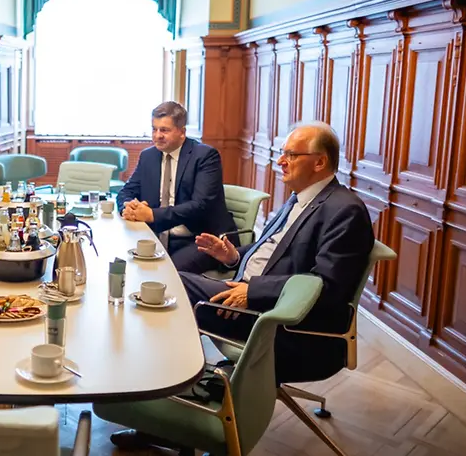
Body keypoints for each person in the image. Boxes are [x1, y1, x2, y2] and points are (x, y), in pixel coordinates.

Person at [110, 121, 375, 451]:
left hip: (281, 322)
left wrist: (253, 291)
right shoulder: (300, 199)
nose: (280, 161)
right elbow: (273, 254)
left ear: (319, 162)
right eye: (282, 154)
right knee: (163, 281)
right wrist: (234, 255)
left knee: (164, 285)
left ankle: (162, 409)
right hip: (250, 296)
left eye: (291, 155)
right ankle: (163, 405)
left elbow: (326, 287)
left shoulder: (344, 210)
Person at [115, 101, 237, 270]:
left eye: (164, 130)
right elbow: (126, 191)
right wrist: (128, 207)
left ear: (182, 132)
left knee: (167, 271)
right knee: (124, 260)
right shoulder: (148, 156)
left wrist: (152, 215)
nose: (157, 136)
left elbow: (200, 206)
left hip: (200, 239)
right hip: (156, 234)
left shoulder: (205, 156)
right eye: (154, 129)